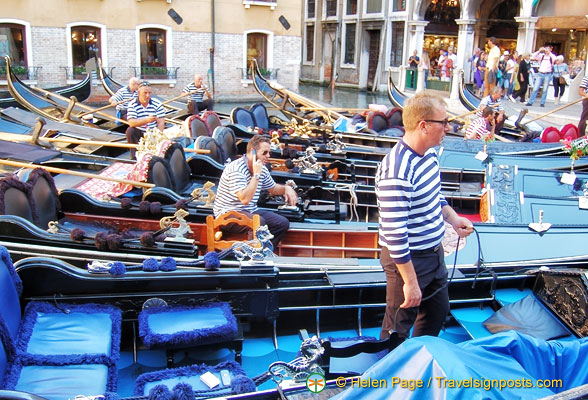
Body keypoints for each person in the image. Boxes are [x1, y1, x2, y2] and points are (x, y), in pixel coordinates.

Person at [376, 91, 474, 340]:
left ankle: (419, 361)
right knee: (398, 326)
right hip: (407, 261)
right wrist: (410, 282)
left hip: (433, 253)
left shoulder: (429, 154)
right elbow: (396, 236)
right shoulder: (396, 170)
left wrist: (453, 219)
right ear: (424, 126)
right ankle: (388, 375)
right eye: (443, 122)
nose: (448, 128)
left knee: (437, 312)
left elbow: (435, 196)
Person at [213, 134, 298, 249]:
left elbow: (273, 188)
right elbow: (245, 199)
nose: (268, 156)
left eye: (269, 152)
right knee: (258, 222)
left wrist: (286, 188)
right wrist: (256, 175)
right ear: (252, 152)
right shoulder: (236, 169)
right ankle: (253, 256)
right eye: (264, 153)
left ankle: (266, 252)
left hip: (250, 211)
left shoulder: (261, 168)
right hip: (227, 214)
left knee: (282, 223)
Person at [125, 81, 165, 159]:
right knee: (130, 130)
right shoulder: (132, 104)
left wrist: (157, 135)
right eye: (145, 93)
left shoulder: (157, 104)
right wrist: (147, 120)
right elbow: (131, 123)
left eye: (149, 93)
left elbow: (161, 123)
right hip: (138, 132)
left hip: (152, 132)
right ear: (139, 92)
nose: (148, 96)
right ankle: (133, 157)